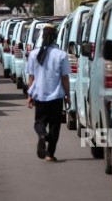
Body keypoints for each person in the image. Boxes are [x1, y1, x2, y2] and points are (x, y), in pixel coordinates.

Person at [26, 25, 71, 162]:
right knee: (54, 126)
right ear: (55, 37)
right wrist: (68, 95)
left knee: (39, 123)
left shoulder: (34, 54)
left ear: (42, 37)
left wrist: (29, 95)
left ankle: (41, 135)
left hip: (40, 95)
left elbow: (31, 78)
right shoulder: (61, 55)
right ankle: (50, 154)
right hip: (56, 97)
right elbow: (64, 78)